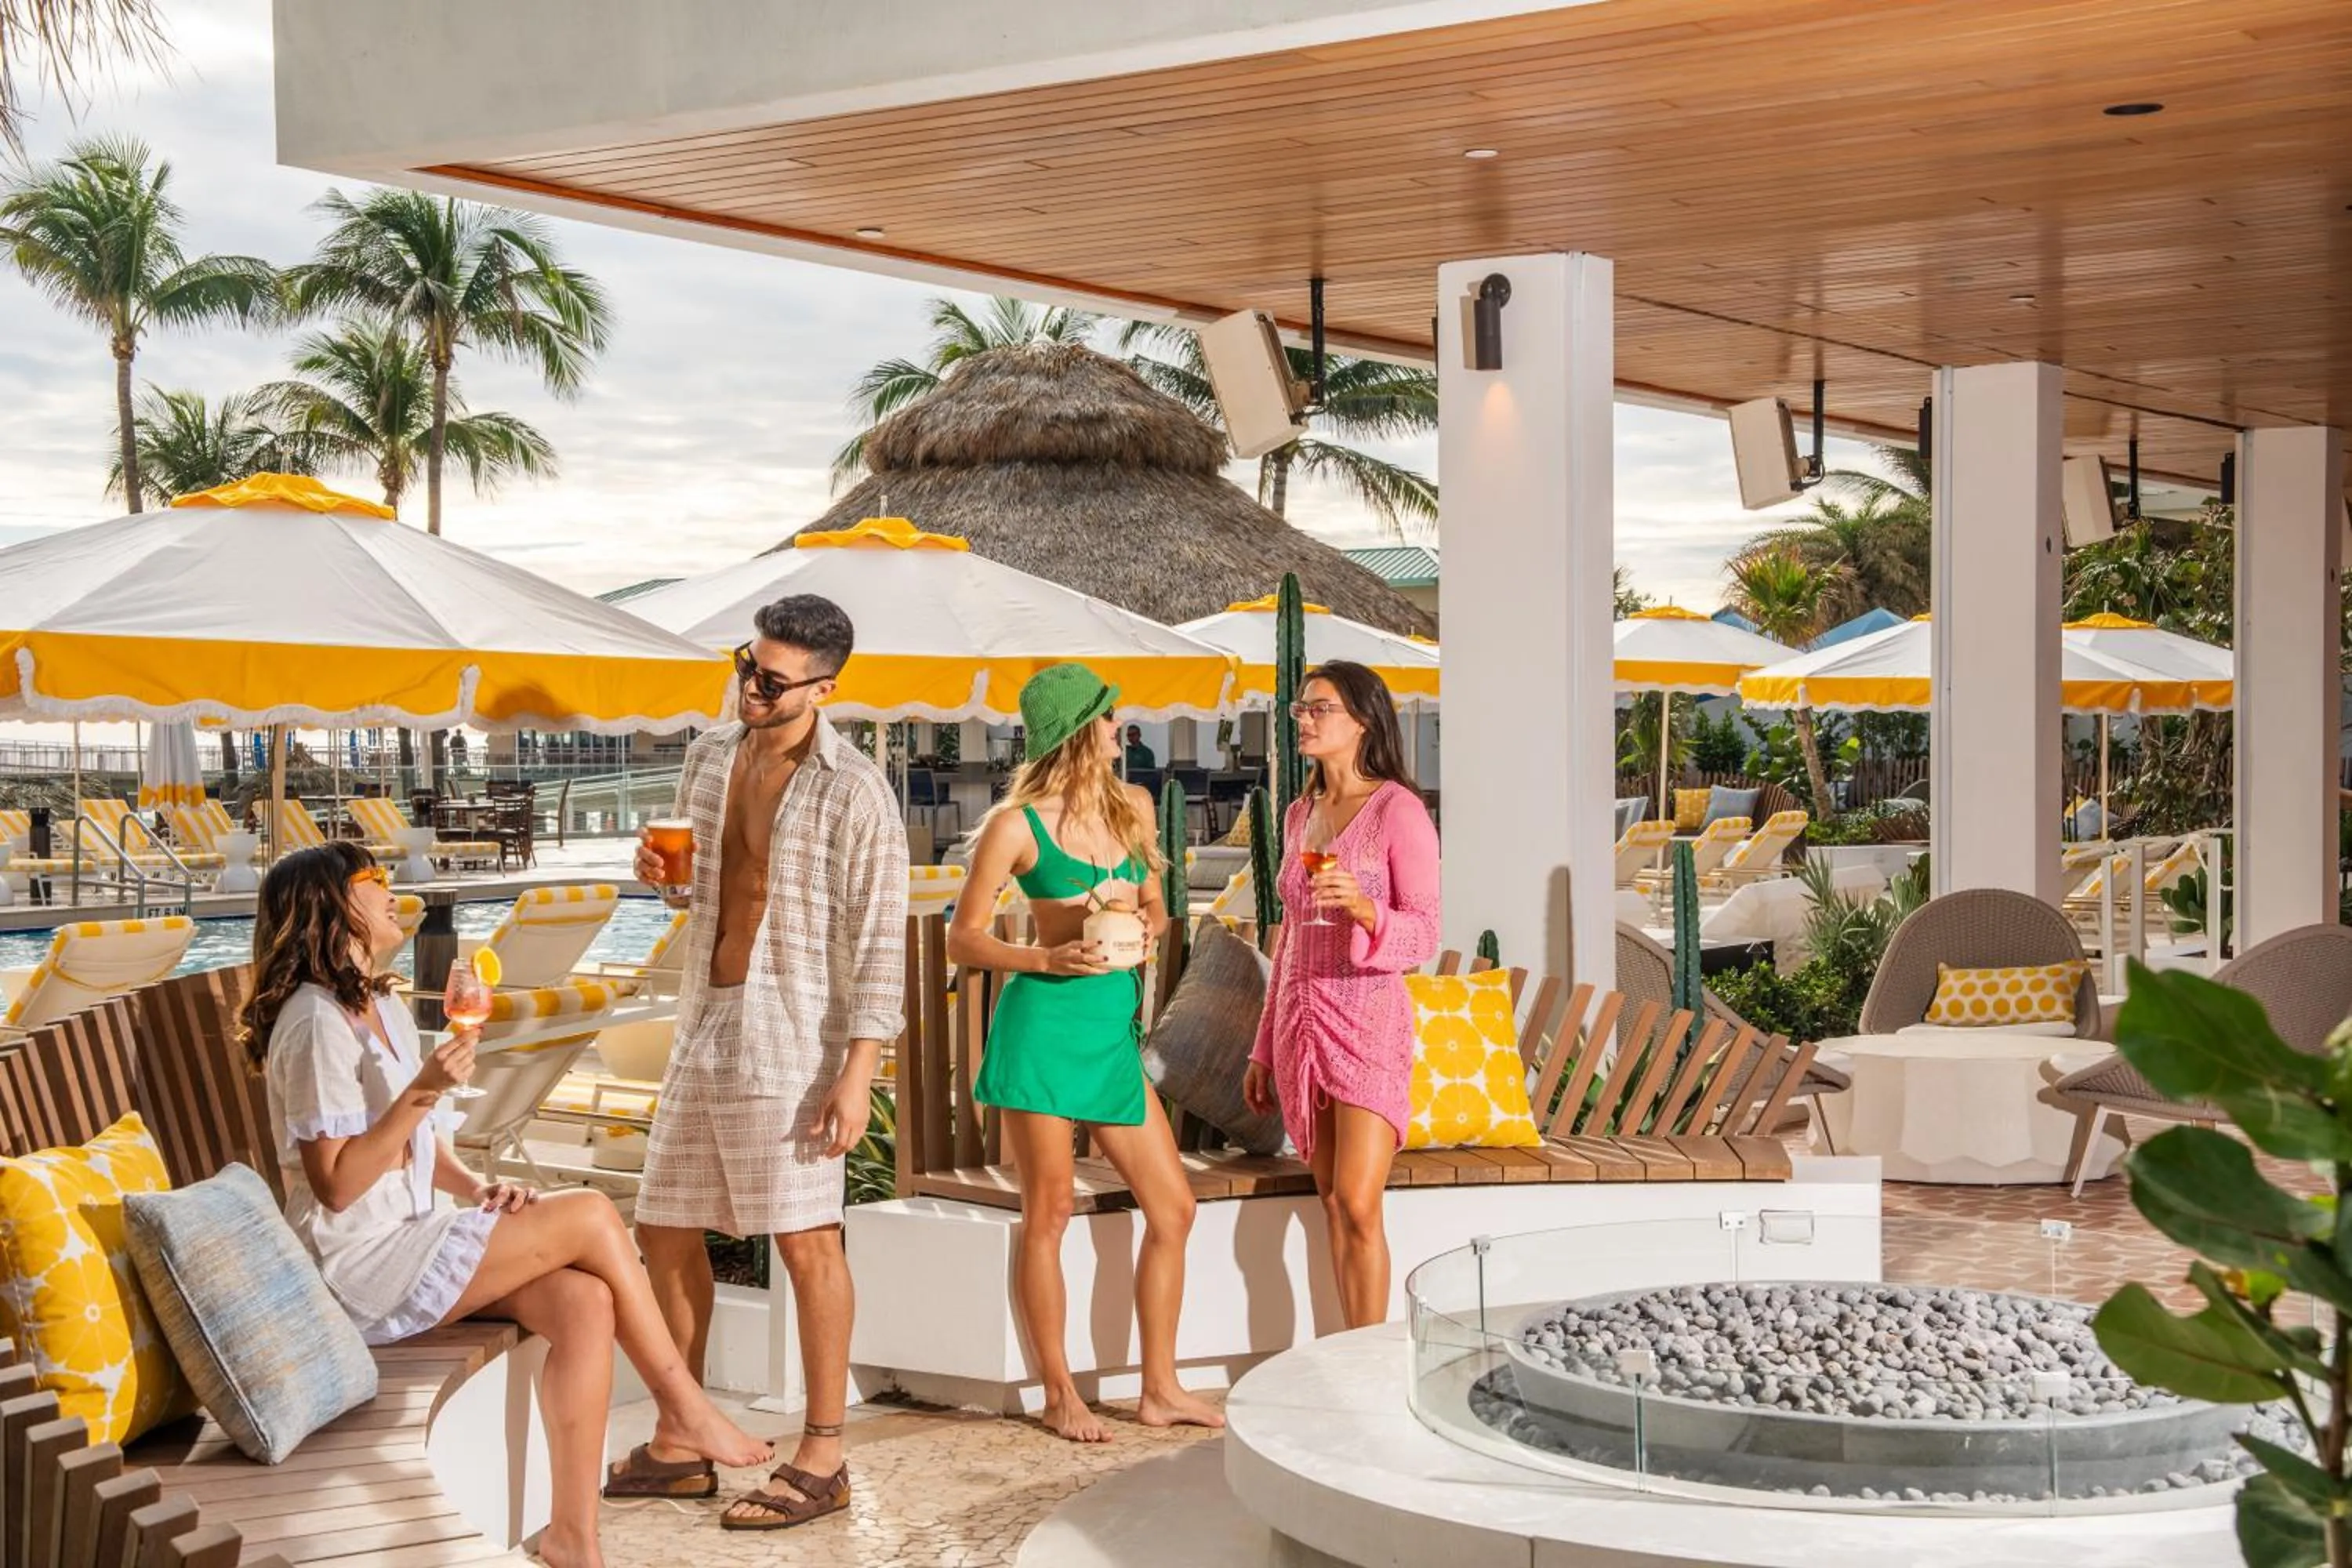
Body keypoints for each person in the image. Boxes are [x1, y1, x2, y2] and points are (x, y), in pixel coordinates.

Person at [246, 843, 770, 1568]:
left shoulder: (383, 1003)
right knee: (589, 1211)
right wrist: (425, 1087)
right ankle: (681, 1405)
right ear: (327, 907)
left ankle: (572, 1538)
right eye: (373, 880)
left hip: (413, 1234)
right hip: (356, 1265)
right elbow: (336, 1184)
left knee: (586, 1304)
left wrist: (477, 1189)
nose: (391, 889)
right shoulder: (313, 1024)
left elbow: (420, 1144)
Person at [631, 593, 909, 1532]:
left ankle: (823, 1453)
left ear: (825, 686)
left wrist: (859, 1069)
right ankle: (679, 1438)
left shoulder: (855, 789)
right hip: (705, 1019)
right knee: (664, 1224)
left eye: (773, 678)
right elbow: (697, 886)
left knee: (805, 1239)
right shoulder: (710, 754)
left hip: (794, 1036)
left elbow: (879, 943)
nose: (751, 686)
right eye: (747, 665)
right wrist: (663, 881)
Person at [948, 664, 1225, 1443]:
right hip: (1042, 1026)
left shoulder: (1134, 805)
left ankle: (1159, 1386)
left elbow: (1160, 910)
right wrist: (1046, 956)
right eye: (1109, 720)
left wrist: (1141, 921)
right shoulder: (1016, 824)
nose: (1119, 731)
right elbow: (961, 935)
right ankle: (1059, 1391)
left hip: (1111, 1035)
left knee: (1173, 1206)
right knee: (1052, 1209)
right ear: (1078, 731)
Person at [1242, 660, 1439, 1331]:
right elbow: (1291, 936)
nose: (1304, 718)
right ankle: (1350, 1343)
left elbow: (1425, 933)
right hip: (1303, 1024)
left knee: (1359, 1202)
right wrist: (1264, 1047)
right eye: (1301, 708)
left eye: (1319, 708)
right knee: (1331, 1200)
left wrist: (1364, 910)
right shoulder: (1301, 814)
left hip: (1367, 1022)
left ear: (1362, 721)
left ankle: (1374, 1355)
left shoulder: (1398, 810)